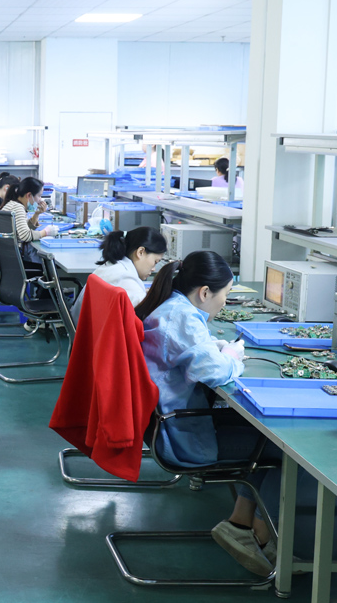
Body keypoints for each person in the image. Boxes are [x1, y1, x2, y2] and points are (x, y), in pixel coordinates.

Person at [135, 251, 281, 576]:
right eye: (225, 294)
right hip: (179, 436)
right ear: (205, 292)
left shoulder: (172, 307)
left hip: (165, 425)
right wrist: (233, 357)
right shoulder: (183, 318)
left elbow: (190, 351)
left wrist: (215, 348)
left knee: (260, 437)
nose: (225, 303)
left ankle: (240, 525)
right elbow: (215, 373)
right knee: (281, 448)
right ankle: (265, 535)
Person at [69, 227, 166, 325]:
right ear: (140, 252)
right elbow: (149, 318)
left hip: (82, 329)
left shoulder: (113, 266)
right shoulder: (126, 278)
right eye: (155, 262)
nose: (154, 269)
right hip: (93, 332)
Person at [0, 176, 57, 263]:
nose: (40, 200)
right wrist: (46, 232)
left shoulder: (13, 204)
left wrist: (36, 214)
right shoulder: (18, 207)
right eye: (39, 196)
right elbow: (25, 235)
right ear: (29, 195)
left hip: (5, 260)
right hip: (12, 261)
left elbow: (22, 229)